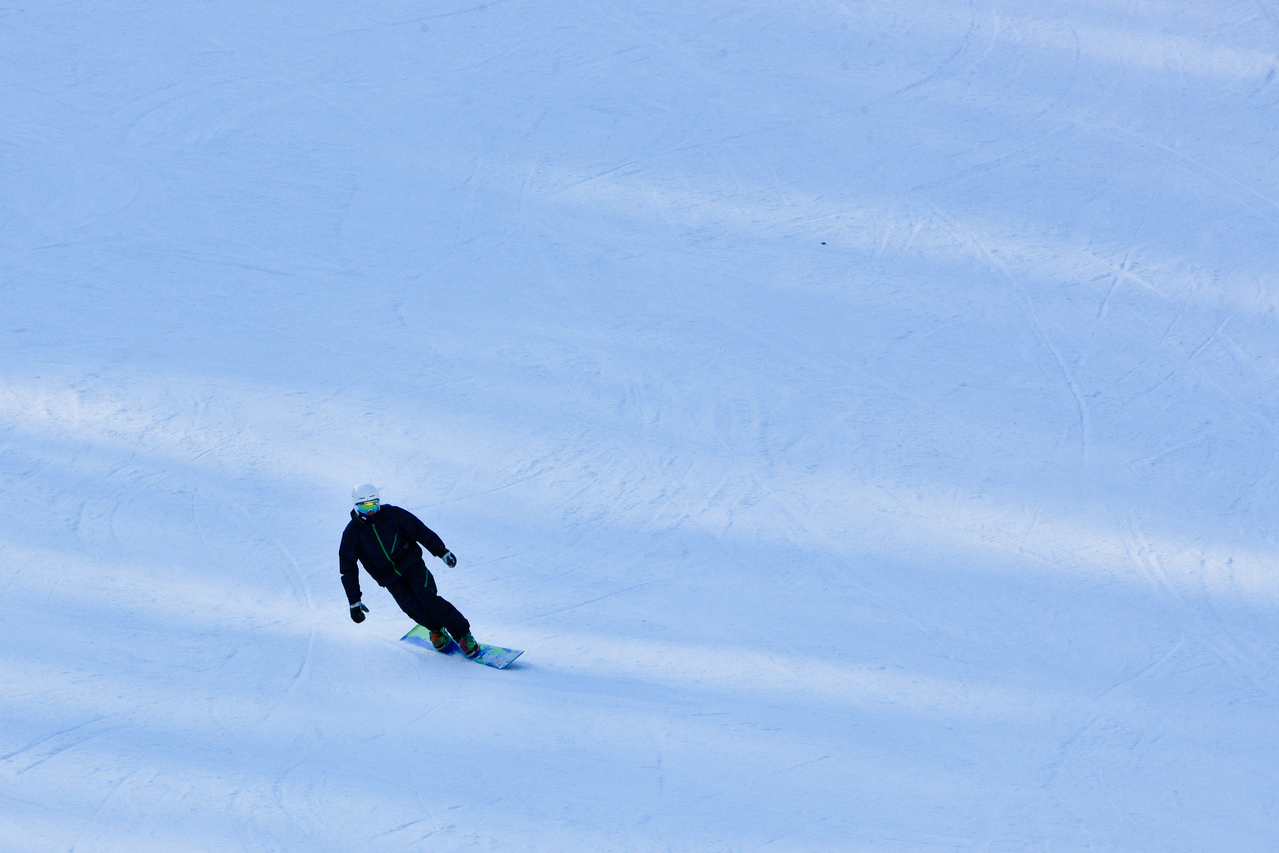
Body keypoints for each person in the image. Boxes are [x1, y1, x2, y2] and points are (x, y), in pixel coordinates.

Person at [339, 484, 480, 658]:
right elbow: (348, 569)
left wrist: (441, 551)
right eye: (365, 506)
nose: (371, 510)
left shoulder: (393, 515)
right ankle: (436, 630)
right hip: (389, 578)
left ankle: (463, 635)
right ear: (356, 506)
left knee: (428, 599)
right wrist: (354, 602)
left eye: (374, 504)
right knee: (411, 608)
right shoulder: (352, 534)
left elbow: (420, 531)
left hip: (412, 564)